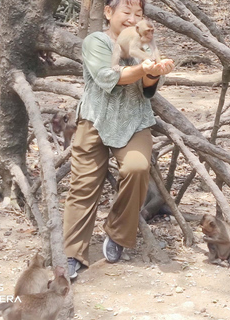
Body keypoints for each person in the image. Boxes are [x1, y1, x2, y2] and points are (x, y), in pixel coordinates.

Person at [63, 0, 175, 279]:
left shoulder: (145, 41)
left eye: (138, 14)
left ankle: (117, 233)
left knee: (137, 168)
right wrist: (142, 69)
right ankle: (72, 253)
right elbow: (109, 76)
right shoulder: (96, 41)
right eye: (126, 12)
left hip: (135, 121)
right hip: (95, 120)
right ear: (109, 12)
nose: (132, 19)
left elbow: (148, 88)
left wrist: (154, 72)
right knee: (83, 185)